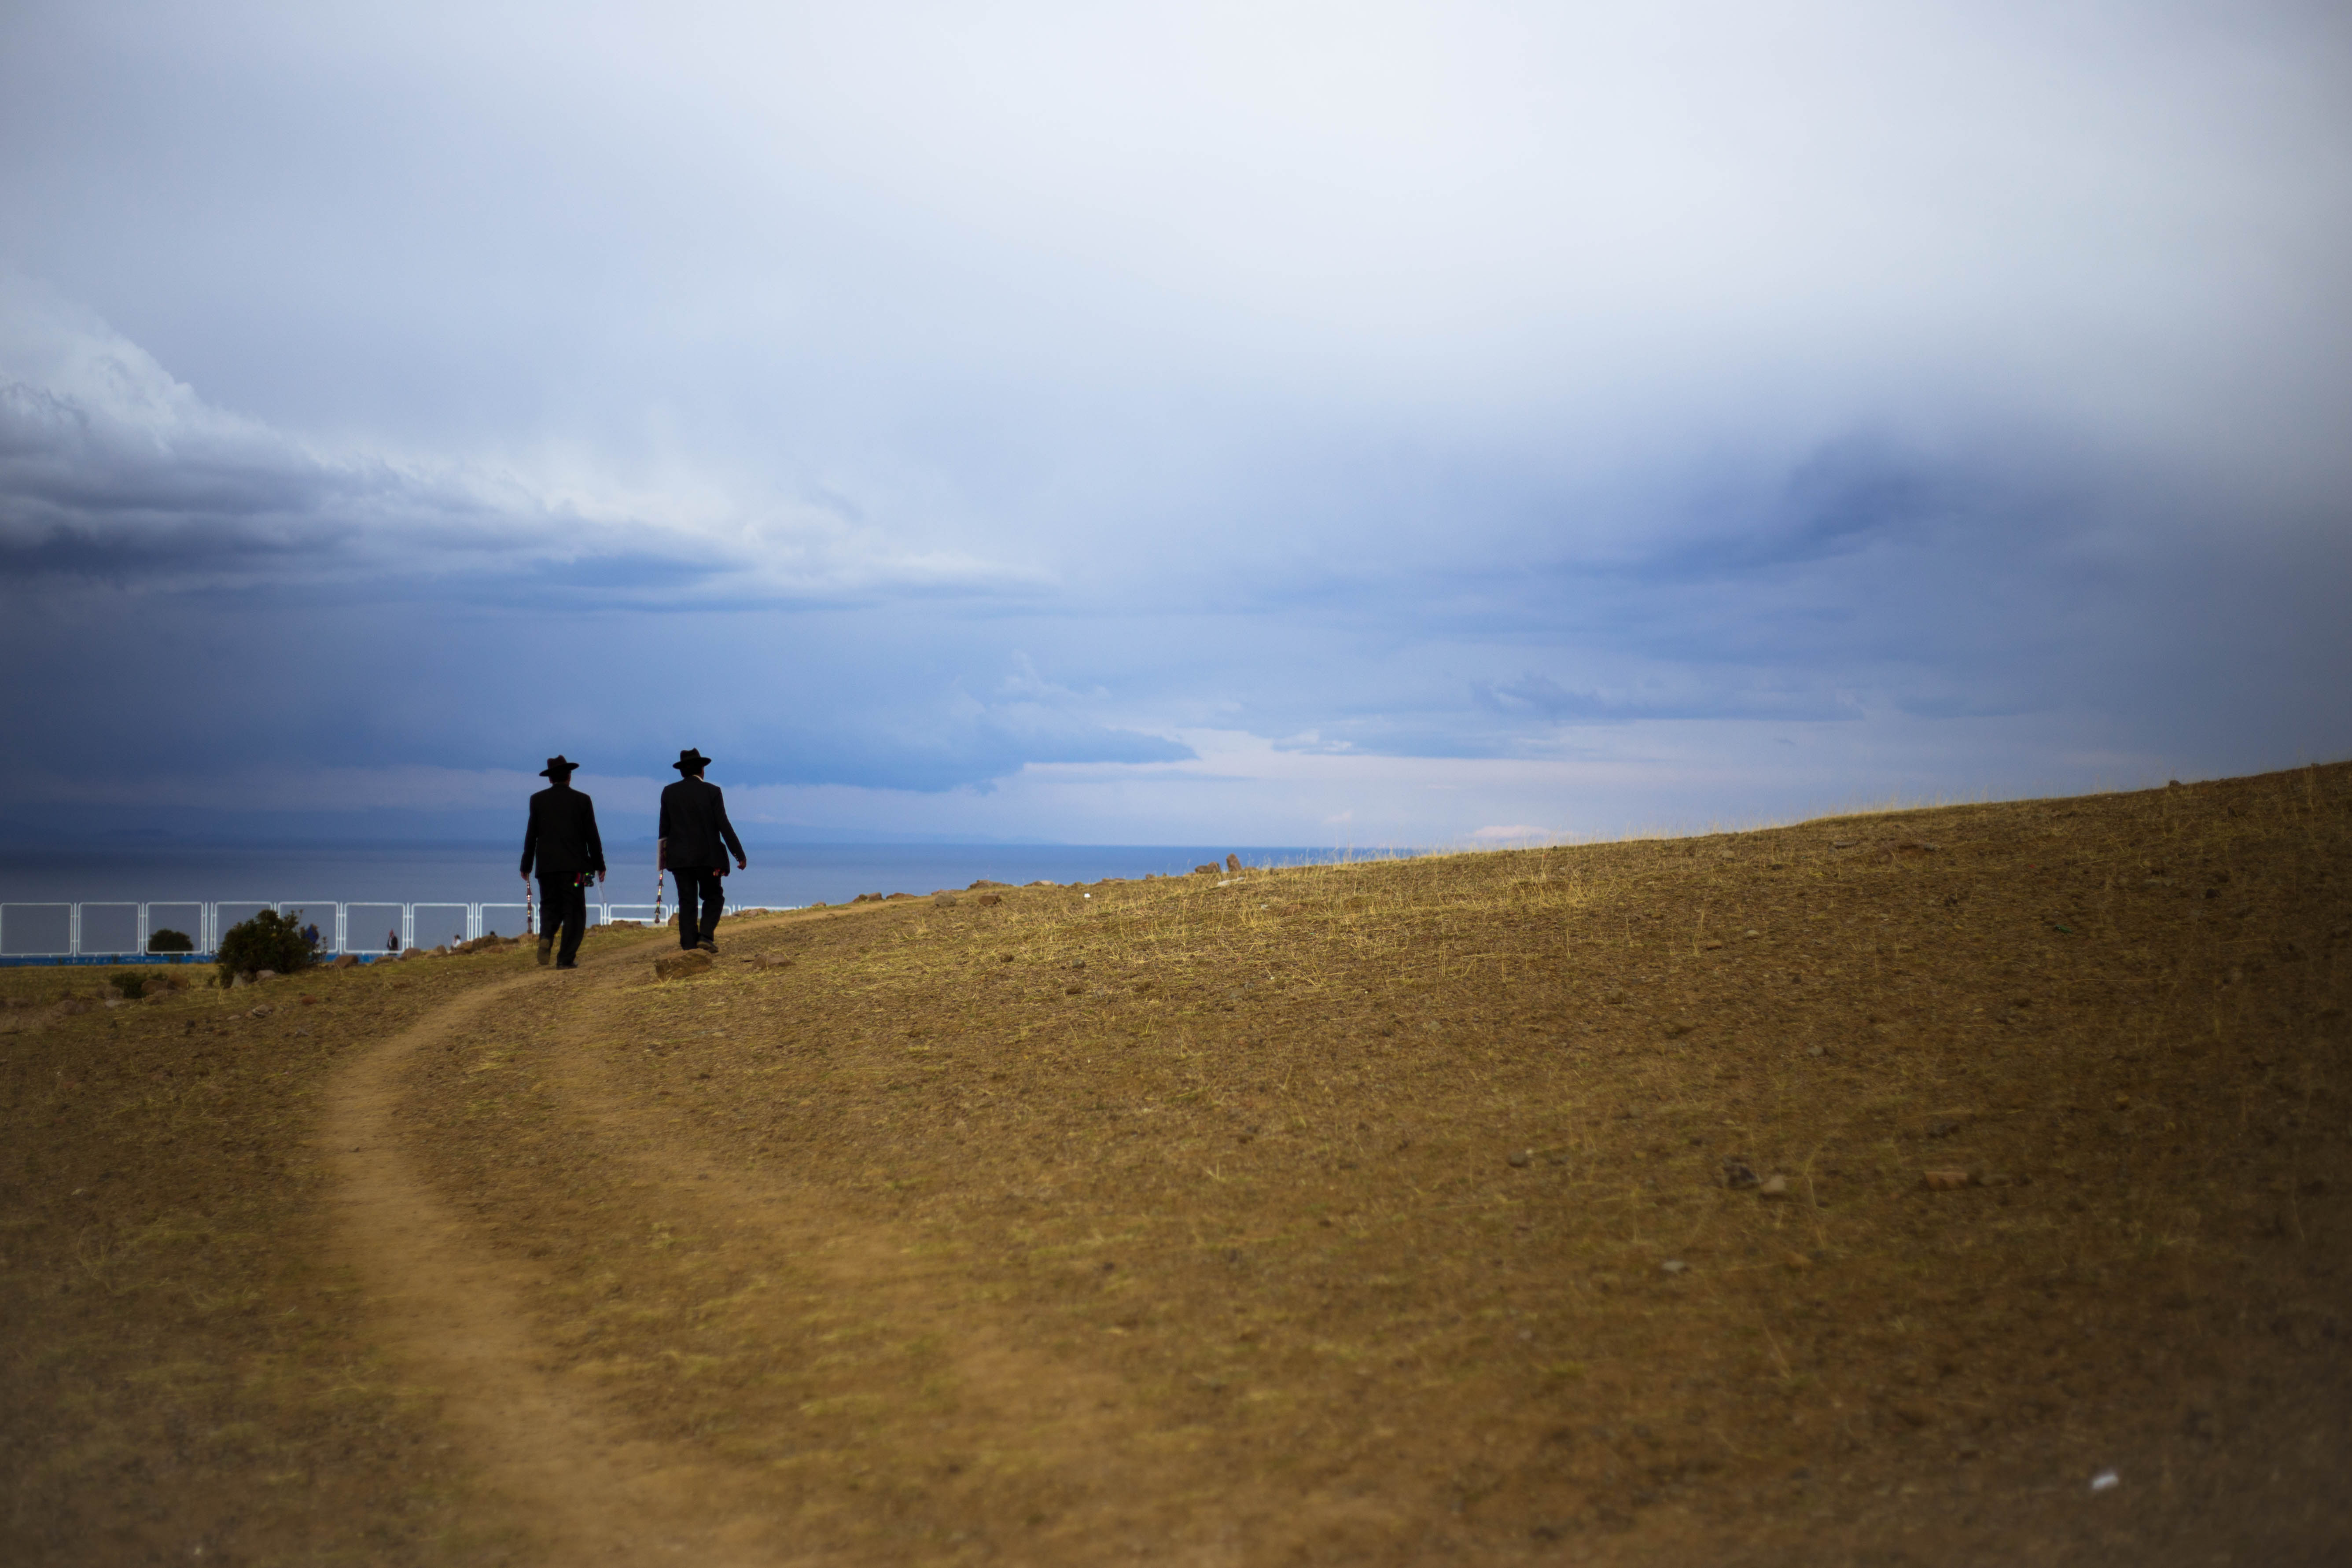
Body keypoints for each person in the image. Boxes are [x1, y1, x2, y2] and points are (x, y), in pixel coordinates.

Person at [520, 755, 607, 968]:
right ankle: (565, 959)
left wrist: (526, 865)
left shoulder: (537, 800)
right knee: (575, 912)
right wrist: (599, 865)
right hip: (577, 870)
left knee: (549, 906)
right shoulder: (583, 800)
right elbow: (592, 837)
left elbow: (531, 836)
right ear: (570, 776)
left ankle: (546, 936)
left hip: (547, 869)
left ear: (550, 779)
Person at [658, 747, 745, 954]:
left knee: (687, 902)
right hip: (708, 859)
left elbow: (664, 831)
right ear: (702, 769)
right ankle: (705, 936)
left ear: (682, 772)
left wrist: (662, 862)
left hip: (679, 861)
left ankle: (689, 946)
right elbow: (724, 825)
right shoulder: (712, 792)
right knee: (714, 896)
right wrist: (738, 854)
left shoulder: (669, 793)